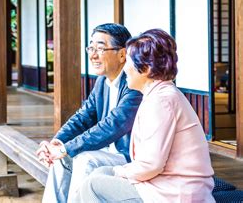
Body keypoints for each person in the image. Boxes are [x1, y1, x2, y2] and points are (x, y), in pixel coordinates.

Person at [80, 29, 215, 202]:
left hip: (174, 192)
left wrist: (120, 171)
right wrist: (118, 171)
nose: (125, 68)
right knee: (99, 172)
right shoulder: (157, 94)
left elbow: (151, 165)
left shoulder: (161, 101)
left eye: (128, 61)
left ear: (146, 68)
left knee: (92, 185)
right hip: (161, 183)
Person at [37, 23, 143, 203]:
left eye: (100, 49)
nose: (93, 55)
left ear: (123, 54)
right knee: (62, 159)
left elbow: (113, 125)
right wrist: (58, 142)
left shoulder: (134, 84)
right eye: (91, 48)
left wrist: (66, 148)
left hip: (129, 158)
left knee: (85, 159)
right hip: (107, 153)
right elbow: (83, 117)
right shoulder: (102, 82)